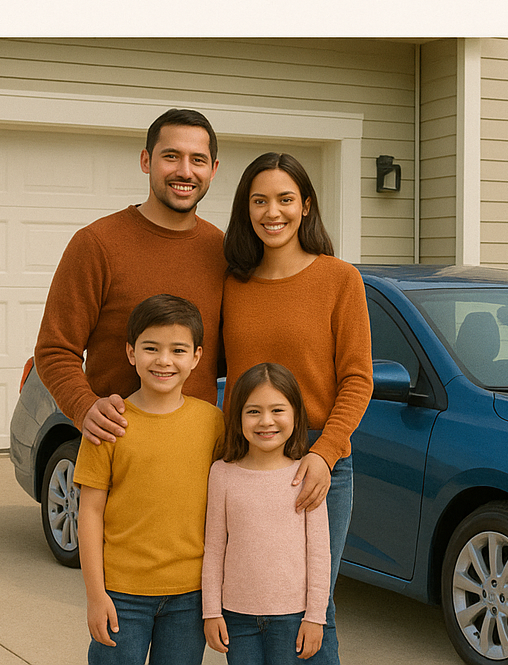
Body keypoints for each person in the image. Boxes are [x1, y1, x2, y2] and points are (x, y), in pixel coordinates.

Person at [221, 152, 372, 665]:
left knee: (314, 609)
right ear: (246, 209)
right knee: (245, 609)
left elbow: (358, 379)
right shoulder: (232, 284)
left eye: (285, 199)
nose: (272, 212)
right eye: (259, 201)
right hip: (246, 467)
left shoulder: (339, 279)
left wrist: (325, 454)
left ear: (305, 205)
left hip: (319, 468)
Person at [34, 108, 225, 444]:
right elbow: (54, 350)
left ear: (213, 169)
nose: (185, 171)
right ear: (146, 160)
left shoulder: (223, 252)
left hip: (199, 453)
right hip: (115, 450)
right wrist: (85, 407)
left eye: (198, 159)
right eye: (171, 156)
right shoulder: (97, 244)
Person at [75, 294, 226, 665]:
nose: (163, 360)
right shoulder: (109, 423)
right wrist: (96, 596)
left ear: (197, 357)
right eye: (151, 348)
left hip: (190, 595)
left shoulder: (212, 423)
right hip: (121, 594)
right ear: (131, 353)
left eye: (178, 350)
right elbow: (89, 513)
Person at [202, 362, 330, 663]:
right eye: (253, 411)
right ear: (238, 416)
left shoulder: (308, 474)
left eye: (277, 410)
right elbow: (214, 548)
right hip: (237, 617)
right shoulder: (221, 474)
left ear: (296, 414)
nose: (266, 421)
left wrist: (315, 617)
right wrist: (211, 611)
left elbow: (320, 553)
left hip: (292, 618)